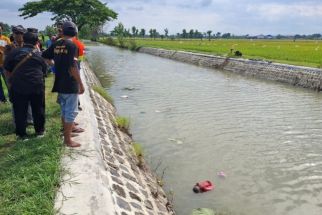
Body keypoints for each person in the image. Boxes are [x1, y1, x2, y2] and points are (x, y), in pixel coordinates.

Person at [42, 21, 85, 147]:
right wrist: (80, 84)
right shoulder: (72, 46)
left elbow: (44, 56)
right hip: (70, 84)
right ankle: (67, 140)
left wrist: (54, 66)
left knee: (64, 110)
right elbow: (73, 67)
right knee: (71, 112)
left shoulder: (57, 43)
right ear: (75, 32)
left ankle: (67, 133)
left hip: (59, 82)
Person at [4, 30, 47, 139]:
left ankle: (22, 135)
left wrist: (10, 83)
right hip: (36, 86)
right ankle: (40, 132)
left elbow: (6, 69)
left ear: (23, 39)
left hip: (18, 86)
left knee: (20, 110)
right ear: (36, 41)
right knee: (38, 109)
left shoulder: (14, 52)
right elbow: (44, 70)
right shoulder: (39, 54)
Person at [0, 23, 11, 103]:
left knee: (8, 81)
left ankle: (12, 96)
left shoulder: (5, 39)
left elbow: (10, 50)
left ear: (2, 30)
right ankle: (2, 99)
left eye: (0, 29)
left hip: (4, 64)